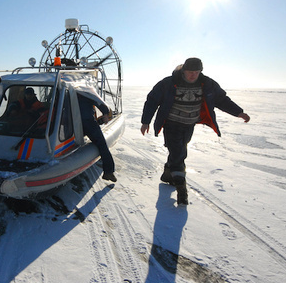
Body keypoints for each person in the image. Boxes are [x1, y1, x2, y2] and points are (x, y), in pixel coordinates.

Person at [140, 58, 250, 205]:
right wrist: (145, 121)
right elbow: (152, 100)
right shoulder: (168, 83)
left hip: (189, 124)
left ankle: (168, 173)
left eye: (196, 72)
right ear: (183, 70)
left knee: (178, 151)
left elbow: (222, 100)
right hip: (171, 124)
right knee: (179, 153)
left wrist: (239, 112)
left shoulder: (207, 84)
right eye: (190, 72)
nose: (193, 75)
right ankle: (181, 189)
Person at [77, 92, 117, 182]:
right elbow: (98, 102)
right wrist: (106, 113)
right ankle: (108, 172)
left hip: (70, 123)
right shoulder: (84, 89)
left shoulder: (63, 88)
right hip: (87, 123)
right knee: (102, 144)